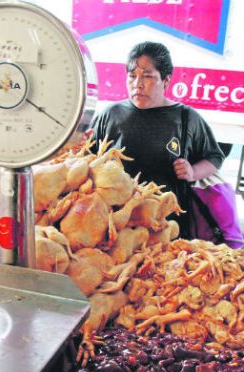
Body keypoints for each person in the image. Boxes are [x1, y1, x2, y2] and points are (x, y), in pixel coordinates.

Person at [89, 41, 227, 241]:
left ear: (167, 80)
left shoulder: (186, 118)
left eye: (148, 76)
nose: (138, 84)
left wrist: (193, 171)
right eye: (132, 76)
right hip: (116, 225)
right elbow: (88, 159)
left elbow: (214, 157)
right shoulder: (111, 114)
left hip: (166, 225)